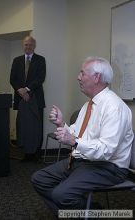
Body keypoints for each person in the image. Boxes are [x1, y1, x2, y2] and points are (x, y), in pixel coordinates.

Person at [31, 57, 133, 217]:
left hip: (109, 167)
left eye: (82, 73)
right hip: (85, 160)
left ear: (97, 77)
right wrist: (61, 124)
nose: (78, 77)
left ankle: (92, 213)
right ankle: (85, 212)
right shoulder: (89, 105)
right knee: (39, 179)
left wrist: (73, 141)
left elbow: (106, 151)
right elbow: (77, 134)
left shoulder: (114, 108)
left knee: (61, 194)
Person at [10, 36, 46, 162]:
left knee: (36, 126)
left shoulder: (41, 60)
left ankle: (36, 153)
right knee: (23, 126)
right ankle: (26, 153)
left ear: (34, 46)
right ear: (23, 45)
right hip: (21, 99)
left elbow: (40, 78)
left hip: (36, 98)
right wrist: (20, 90)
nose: (28, 46)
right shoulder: (16, 60)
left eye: (30, 44)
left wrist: (27, 89)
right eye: (26, 44)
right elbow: (12, 79)